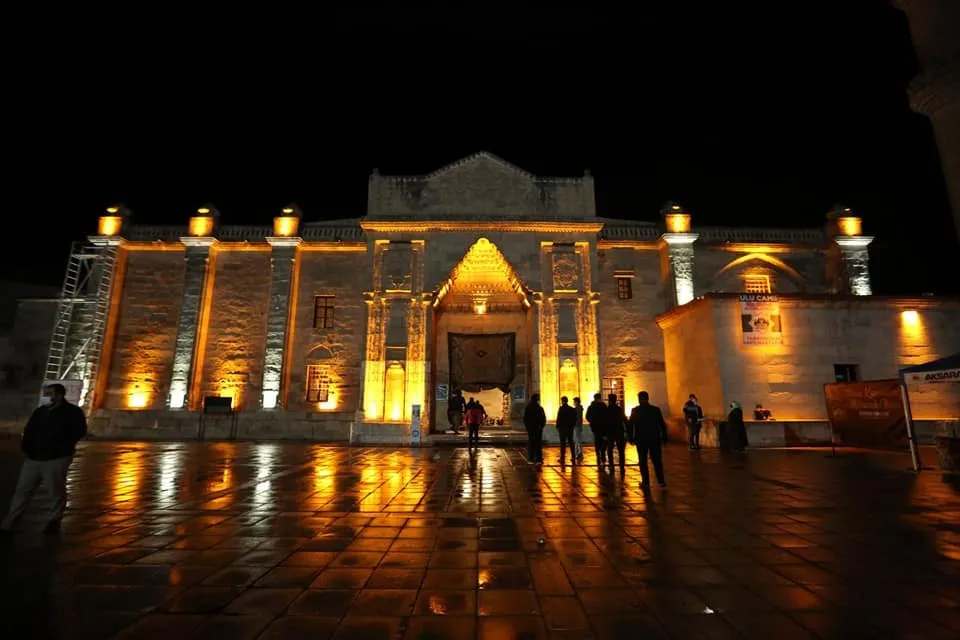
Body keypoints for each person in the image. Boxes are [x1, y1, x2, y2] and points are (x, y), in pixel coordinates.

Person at [1, 383, 87, 535]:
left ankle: (55, 519)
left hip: (56, 457)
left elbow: (78, 431)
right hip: (34, 457)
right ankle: (10, 522)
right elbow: (29, 430)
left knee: (54, 490)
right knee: (22, 490)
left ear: (59, 395)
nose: (46, 396)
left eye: (49, 393)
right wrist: (27, 448)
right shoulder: (41, 411)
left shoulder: (72, 412)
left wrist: (62, 447)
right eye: (45, 393)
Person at [627, 391, 668, 489]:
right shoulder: (655, 410)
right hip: (654, 438)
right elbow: (662, 424)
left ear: (639, 399)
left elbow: (631, 425)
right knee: (657, 460)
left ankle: (645, 482)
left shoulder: (635, 410)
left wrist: (630, 437)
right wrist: (665, 437)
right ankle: (661, 481)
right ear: (648, 398)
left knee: (642, 460)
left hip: (641, 439)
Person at [604, 393, 627, 474]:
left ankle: (611, 465)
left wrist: (604, 433)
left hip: (610, 432)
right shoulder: (619, 409)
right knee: (621, 450)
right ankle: (622, 467)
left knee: (609, 449)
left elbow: (605, 422)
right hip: (619, 431)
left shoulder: (607, 410)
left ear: (609, 400)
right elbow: (624, 419)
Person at [524, 393, 547, 464]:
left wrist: (528, 427)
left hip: (531, 428)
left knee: (531, 443)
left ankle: (531, 459)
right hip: (538, 428)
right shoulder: (540, 408)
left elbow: (525, 418)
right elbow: (543, 418)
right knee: (538, 443)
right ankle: (538, 459)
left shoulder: (528, 408)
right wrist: (541, 426)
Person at [585, 393, 606, 467]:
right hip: (603, 426)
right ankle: (602, 453)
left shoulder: (591, 406)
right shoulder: (603, 406)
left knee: (597, 440)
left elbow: (587, 416)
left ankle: (598, 454)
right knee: (603, 441)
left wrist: (592, 421)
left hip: (595, 427)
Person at [555, 396, 578, 465]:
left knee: (563, 443)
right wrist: (572, 426)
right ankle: (573, 456)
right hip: (569, 428)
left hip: (562, 429)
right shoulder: (571, 409)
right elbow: (575, 418)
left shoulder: (561, 409)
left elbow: (558, 418)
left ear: (562, 401)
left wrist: (558, 426)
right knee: (571, 442)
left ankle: (562, 457)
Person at [572, 397, 585, 462]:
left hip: (577, 426)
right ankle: (577, 453)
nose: (573, 403)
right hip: (578, 426)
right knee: (577, 440)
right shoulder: (579, 408)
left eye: (574, 401)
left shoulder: (578, 409)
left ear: (576, 402)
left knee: (577, 440)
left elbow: (578, 418)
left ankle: (579, 453)